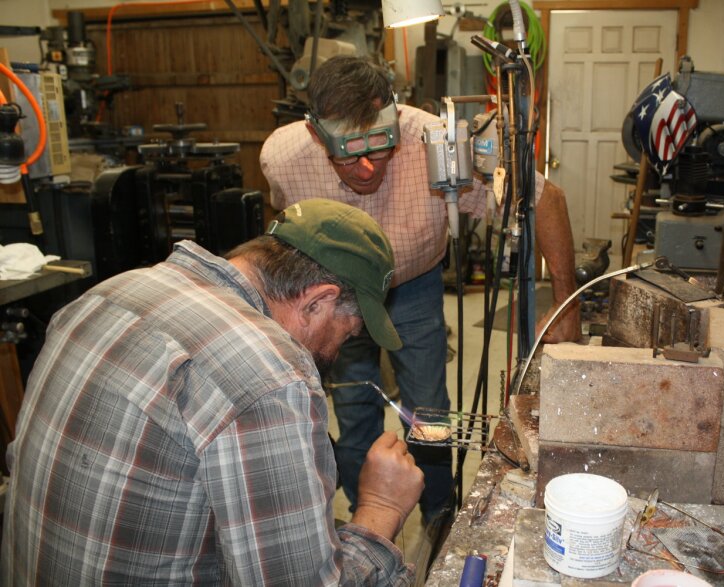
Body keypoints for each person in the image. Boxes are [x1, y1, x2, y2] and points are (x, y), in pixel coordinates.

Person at [1, 199, 424, 586]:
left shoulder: (108, 293)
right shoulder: (271, 375)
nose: (336, 353)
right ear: (317, 301)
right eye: (345, 336)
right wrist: (381, 507)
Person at [260, 56, 579, 524]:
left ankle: (437, 513)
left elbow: (545, 197)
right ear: (316, 135)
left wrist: (567, 301)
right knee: (352, 412)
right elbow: (277, 234)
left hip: (412, 286)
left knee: (428, 413)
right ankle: (365, 515)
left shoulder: (440, 141)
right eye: (348, 153)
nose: (367, 167)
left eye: (380, 145)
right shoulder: (282, 158)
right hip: (336, 295)